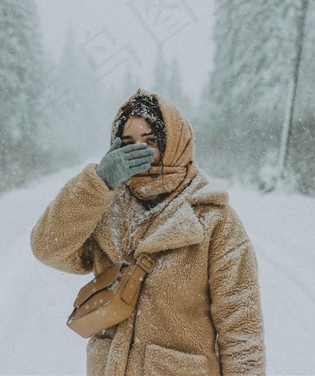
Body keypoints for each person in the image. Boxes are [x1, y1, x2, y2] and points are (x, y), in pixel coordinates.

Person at [31, 89, 265, 375]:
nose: (140, 152)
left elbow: (242, 330)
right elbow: (47, 247)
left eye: (151, 141)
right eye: (128, 143)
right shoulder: (105, 209)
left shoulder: (214, 219)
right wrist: (98, 183)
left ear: (174, 142)